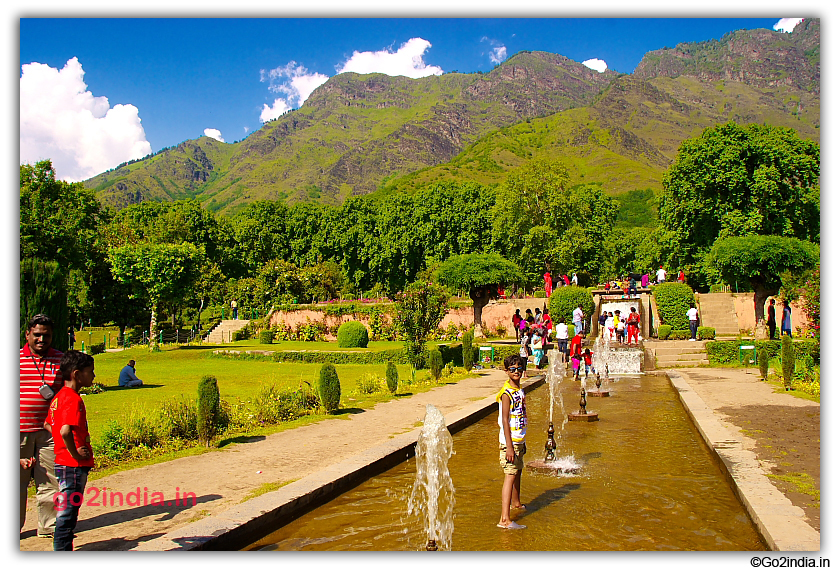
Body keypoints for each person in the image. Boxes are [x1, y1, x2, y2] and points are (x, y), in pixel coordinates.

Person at [46, 350, 96, 550]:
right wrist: (75, 453)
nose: (93, 376)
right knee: (68, 511)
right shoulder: (73, 399)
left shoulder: (58, 397)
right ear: (76, 374)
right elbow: (66, 430)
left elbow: (48, 425)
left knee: (67, 507)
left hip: (62, 460)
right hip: (73, 464)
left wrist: (60, 442)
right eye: (90, 371)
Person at [20, 314, 63, 538]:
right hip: (18, 431)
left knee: (50, 479)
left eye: (46, 335)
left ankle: (49, 526)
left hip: (49, 432)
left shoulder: (60, 359)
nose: (41, 340)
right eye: (37, 335)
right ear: (27, 334)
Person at [496, 354, 528, 529]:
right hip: (511, 442)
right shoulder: (507, 393)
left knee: (517, 471)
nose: (517, 372)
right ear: (507, 371)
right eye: (513, 369)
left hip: (518, 440)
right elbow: (505, 420)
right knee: (510, 474)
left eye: (519, 368)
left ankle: (516, 503)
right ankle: (504, 519)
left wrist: (521, 441)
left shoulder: (519, 390)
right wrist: (509, 446)